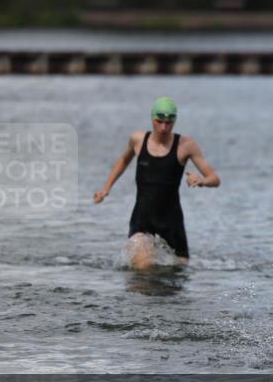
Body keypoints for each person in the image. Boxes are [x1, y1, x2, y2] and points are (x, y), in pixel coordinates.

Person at [93, 97, 220, 269]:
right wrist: (106, 188)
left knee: (178, 272)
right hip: (142, 219)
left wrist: (201, 180)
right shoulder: (138, 140)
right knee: (142, 271)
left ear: (174, 121)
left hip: (172, 222)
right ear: (152, 118)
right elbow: (123, 160)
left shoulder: (186, 145)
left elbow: (215, 179)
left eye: (169, 123)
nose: (163, 127)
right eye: (159, 121)